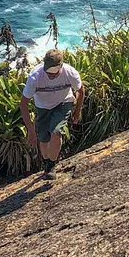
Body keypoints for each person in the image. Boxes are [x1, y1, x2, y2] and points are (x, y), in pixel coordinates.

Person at [20, 49, 84, 181]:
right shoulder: (35, 77)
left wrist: (77, 111)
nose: (51, 76)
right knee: (43, 139)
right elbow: (24, 104)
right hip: (43, 107)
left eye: (54, 74)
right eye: (48, 73)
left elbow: (81, 91)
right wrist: (31, 131)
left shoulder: (70, 73)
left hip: (63, 103)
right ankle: (47, 163)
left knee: (56, 131)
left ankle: (51, 166)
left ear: (61, 66)